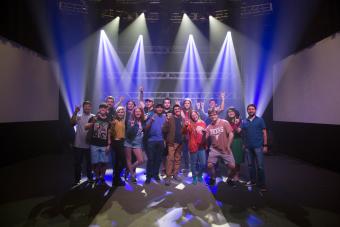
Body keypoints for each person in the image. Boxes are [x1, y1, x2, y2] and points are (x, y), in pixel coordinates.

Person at [205, 108, 236, 186]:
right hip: (214, 149)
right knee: (209, 165)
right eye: (211, 115)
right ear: (209, 117)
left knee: (232, 166)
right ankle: (213, 178)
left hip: (225, 148)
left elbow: (231, 134)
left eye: (214, 114)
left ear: (217, 114)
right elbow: (205, 137)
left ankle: (230, 179)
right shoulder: (209, 127)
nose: (213, 116)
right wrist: (202, 133)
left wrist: (228, 145)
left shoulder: (224, 122)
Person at [241, 104, 268, 192]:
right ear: (247, 111)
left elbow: (264, 133)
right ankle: (253, 181)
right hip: (248, 147)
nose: (251, 110)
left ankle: (262, 185)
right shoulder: (244, 121)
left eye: (252, 109)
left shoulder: (260, 120)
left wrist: (265, 145)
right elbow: (243, 134)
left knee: (260, 166)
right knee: (250, 166)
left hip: (258, 147)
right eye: (249, 109)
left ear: (255, 110)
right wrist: (244, 144)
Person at [85, 103, 111, 185]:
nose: (103, 109)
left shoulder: (109, 119)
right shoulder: (94, 118)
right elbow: (86, 127)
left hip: (104, 144)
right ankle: (96, 177)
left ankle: (102, 177)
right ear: (99, 109)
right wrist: (93, 122)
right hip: (94, 144)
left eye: (105, 108)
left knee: (104, 162)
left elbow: (109, 133)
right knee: (95, 163)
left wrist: (109, 144)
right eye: (101, 107)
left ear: (107, 110)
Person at [70, 101, 95, 185]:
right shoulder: (79, 116)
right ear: (83, 108)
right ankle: (77, 179)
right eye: (85, 106)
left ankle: (90, 177)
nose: (87, 108)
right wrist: (75, 112)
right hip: (78, 144)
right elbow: (71, 123)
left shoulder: (94, 117)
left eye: (89, 106)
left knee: (89, 163)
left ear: (91, 107)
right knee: (78, 163)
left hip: (89, 145)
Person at [182, 110, 207, 185]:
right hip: (193, 146)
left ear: (197, 114)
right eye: (192, 115)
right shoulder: (189, 124)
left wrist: (202, 130)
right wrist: (186, 126)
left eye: (195, 114)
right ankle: (194, 177)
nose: (194, 116)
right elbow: (184, 132)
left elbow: (204, 132)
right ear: (191, 117)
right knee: (193, 163)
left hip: (201, 146)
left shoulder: (202, 122)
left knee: (203, 163)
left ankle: (199, 175)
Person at [163, 104, 184, 186]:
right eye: (175, 109)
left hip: (180, 143)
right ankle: (168, 176)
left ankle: (175, 174)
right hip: (172, 143)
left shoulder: (182, 119)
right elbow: (164, 130)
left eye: (178, 108)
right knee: (170, 159)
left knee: (178, 159)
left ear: (180, 110)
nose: (177, 110)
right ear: (173, 111)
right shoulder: (170, 118)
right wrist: (166, 121)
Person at [144, 104, 166, 184]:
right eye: (158, 107)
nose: (159, 109)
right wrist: (151, 120)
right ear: (155, 108)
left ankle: (156, 174)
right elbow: (145, 129)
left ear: (162, 109)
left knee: (158, 159)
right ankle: (148, 176)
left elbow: (166, 129)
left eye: (161, 107)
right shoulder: (151, 115)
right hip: (151, 141)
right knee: (150, 159)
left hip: (160, 141)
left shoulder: (164, 117)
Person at [124, 107, 145, 183]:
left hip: (137, 143)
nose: (138, 112)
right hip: (129, 141)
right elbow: (128, 133)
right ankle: (132, 175)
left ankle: (129, 169)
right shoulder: (131, 120)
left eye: (139, 111)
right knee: (128, 159)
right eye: (136, 111)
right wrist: (132, 126)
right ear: (134, 113)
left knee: (141, 160)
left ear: (141, 113)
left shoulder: (142, 121)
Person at [226, 107, 244, 183]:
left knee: (237, 160)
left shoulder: (240, 120)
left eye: (232, 111)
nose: (230, 113)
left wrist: (235, 124)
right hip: (227, 142)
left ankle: (236, 175)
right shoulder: (226, 121)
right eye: (229, 112)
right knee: (229, 160)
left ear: (235, 112)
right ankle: (230, 174)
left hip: (236, 141)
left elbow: (239, 131)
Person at [110, 106, 126, 186]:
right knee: (122, 162)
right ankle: (116, 177)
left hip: (122, 142)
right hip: (116, 142)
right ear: (116, 113)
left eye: (122, 112)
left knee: (118, 162)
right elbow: (111, 133)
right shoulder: (114, 121)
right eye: (119, 112)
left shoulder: (122, 121)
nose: (120, 113)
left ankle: (116, 178)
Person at [180, 98, 192, 173]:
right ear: (183, 104)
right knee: (184, 152)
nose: (187, 104)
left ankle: (192, 167)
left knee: (192, 152)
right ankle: (187, 166)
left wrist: (185, 118)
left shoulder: (193, 112)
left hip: (191, 135)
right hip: (184, 135)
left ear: (190, 104)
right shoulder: (181, 112)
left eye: (188, 103)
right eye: (185, 103)